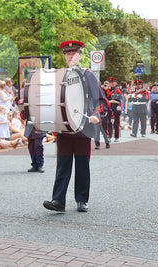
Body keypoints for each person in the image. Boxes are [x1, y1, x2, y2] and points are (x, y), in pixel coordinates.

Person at [43, 40, 104, 214]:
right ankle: (58, 200)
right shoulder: (58, 75)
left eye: (73, 53)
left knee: (82, 165)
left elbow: (99, 100)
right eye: (67, 54)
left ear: (80, 55)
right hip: (64, 127)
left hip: (83, 126)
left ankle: (82, 199)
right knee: (62, 165)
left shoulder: (88, 75)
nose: (70, 56)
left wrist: (96, 115)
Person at [105, 77, 122, 142]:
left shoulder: (118, 89)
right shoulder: (107, 90)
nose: (111, 83)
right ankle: (109, 136)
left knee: (116, 123)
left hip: (116, 106)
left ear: (115, 83)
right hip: (109, 107)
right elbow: (105, 97)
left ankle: (117, 137)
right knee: (109, 122)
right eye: (110, 82)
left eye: (113, 82)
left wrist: (119, 105)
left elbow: (120, 97)